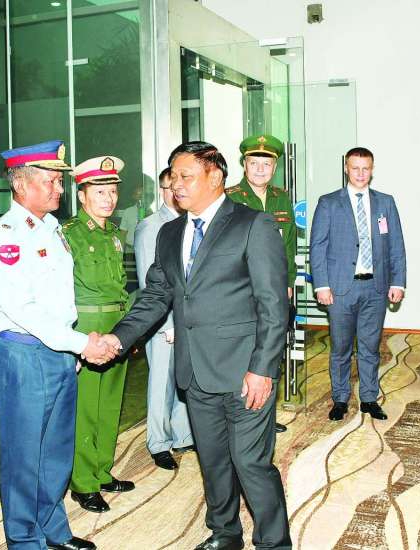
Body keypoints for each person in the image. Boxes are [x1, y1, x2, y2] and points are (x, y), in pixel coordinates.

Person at [104, 142, 292, 550]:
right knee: (213, 461)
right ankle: (225, 533)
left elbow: (274, 305)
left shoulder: (253, 224)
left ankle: (274, 543)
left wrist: (263, 369)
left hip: (245, 371)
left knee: (251, 462)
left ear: (215, 177)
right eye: (173, 176)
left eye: (185, 176)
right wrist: (118, 337)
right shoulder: (170, 233)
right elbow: (156, 295)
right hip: (194, 370)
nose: (176, 184)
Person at [0, 140, 110, 550]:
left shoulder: (52, 229)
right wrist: (79, 344)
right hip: (23, 356)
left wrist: (70, 348)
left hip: (57, 352)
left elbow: (58, 301)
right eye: (50, 181)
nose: (59, 188)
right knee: (23, 457)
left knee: (56, 450)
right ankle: (24, 540)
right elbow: (25, 310)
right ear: (21, 184)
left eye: (59, 181)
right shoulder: (5, 238)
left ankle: (54, 529)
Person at [309, 147, 406, 422]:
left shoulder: (385, 203)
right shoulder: (329, 203)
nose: (361, 174)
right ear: (346, 169)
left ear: (372, 170)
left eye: (366, 168)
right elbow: (318, 247)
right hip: (340, 289)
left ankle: (369, 399)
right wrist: (321, 285)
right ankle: (340, 399)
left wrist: (398, 281)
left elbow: (396, 245)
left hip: (375, 288)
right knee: (340, 348)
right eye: (355, 168)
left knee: (370, 347)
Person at [63, 155, 136, 513]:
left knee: (109, 405)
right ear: (82, 195)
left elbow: (121, 287)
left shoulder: (114, 235)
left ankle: (102, 471)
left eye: (112, 192)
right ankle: (83, 482)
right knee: (85, 409)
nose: (109, 199)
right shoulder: (69, 235)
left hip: (116, 327)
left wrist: (128, 331)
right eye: (100, 192)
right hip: (87, 330)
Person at [227, 134, 297, 434]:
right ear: (244, 165)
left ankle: (266, 412)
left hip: (276, 290)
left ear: (275, 168)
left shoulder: (281, 198)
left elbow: (289, 245)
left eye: (266, 165)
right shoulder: (231, 198)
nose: (260, 169)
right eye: (254, 163)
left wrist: (289, 282)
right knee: (244, 350)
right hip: (243, 290)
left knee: (272, 348)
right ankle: (243, 410)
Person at [134, 167, 193, 470]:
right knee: (161, 383)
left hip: (187, 319)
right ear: (162, 190)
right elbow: (150, 285)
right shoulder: (150, 227)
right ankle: (158, 443)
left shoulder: (190, 222)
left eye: (182, 185)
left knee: (183, 378)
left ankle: (182, 435)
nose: (177, 191)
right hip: (163, 322)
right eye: (171, 187)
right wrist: (167, 325)